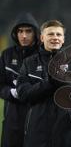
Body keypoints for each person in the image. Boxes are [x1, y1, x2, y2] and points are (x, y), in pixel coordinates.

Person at [16, 20, 71, 147]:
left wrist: (60, 79)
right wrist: (49, 82)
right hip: (37, 132)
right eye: (50, 34)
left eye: (58, 35)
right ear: (42, 38)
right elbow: (24, 94)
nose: (55, 38)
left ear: (63, 39)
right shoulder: (29, 63)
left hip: (69, 133)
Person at [0, 12, 40, 147]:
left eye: (28, 31)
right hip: (12, 120)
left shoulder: (43, 55)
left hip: (37, 120)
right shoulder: (7, 55)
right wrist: (10, 92)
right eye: (20, 31)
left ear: (35, 33)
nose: (24, 35)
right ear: (15, 34)